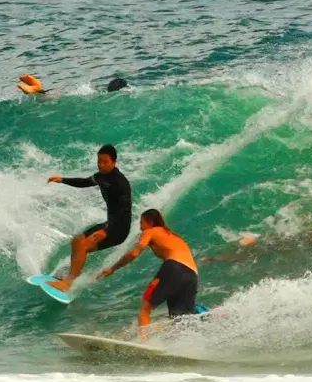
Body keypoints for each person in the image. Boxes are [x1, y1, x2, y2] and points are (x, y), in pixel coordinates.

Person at [98, 209, 199, 342]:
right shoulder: (173, 235)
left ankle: (145, 343)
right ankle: (187, 343)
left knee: (145, 308)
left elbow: (134, 253)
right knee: (181, 317)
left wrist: (113, 268)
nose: (140, 227)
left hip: (175, 268)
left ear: (149, 222)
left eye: (141, 223)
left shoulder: (150, 231)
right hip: (192, 274)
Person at [46, 144, 132, 292]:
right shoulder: (100, 177)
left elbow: (123, 212)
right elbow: (84, 182)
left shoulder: (120, 183)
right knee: (77, 241)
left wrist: (107, 231)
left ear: (114, 162)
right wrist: (62, 179)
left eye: (105, 162)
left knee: (84, 246)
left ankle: (68, 284)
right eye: (99, 161)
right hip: (110, 224)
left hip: (119, 228)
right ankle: (70, 278)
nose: (101, 165)